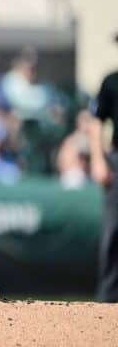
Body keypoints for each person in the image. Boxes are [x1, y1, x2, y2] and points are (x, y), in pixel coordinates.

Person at [90, 58, 118, 302]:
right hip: (117, 160)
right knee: (114, 231)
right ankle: (108, 298)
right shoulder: (112, 82)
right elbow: (97, 122)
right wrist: (98, 159)